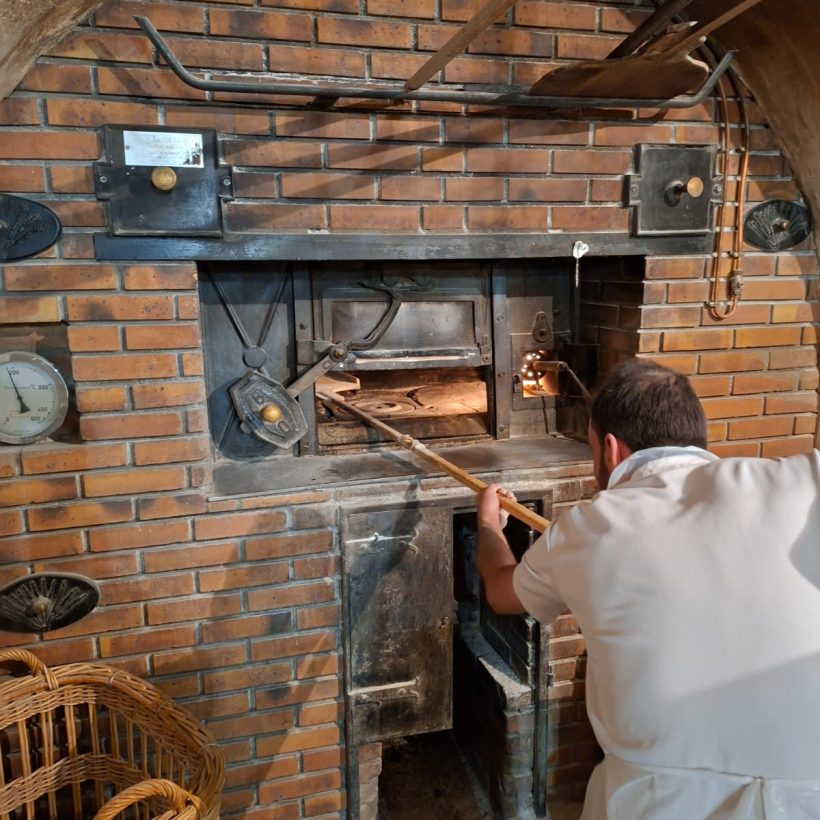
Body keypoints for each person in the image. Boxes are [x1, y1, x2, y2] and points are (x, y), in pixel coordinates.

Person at [476, 358, 820, 820]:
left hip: (654, 802)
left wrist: (489, 524)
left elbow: (500, 591)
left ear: (611, 449)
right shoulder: (804, 482)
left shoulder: (586, 528)